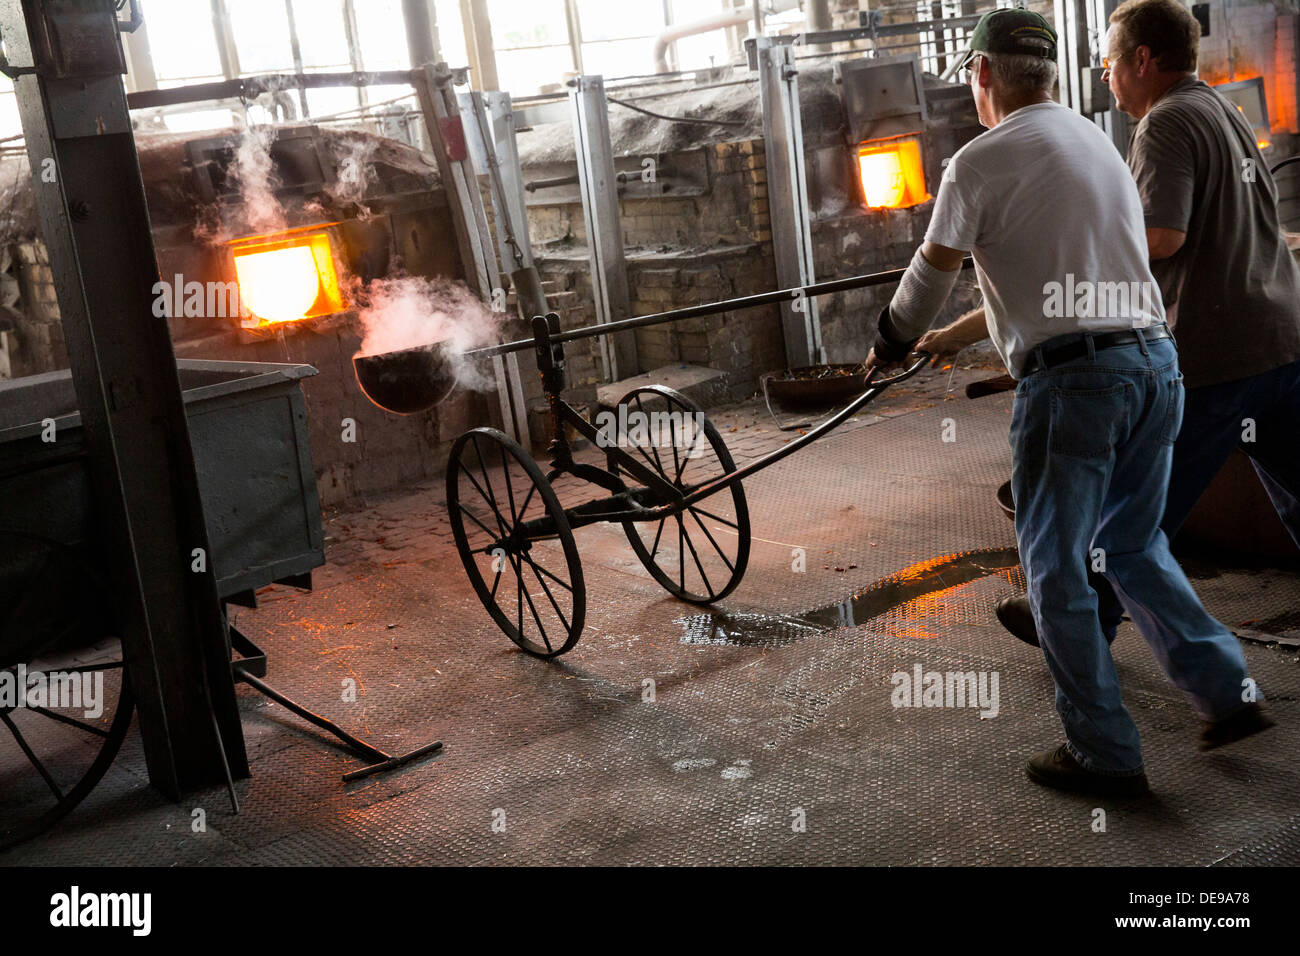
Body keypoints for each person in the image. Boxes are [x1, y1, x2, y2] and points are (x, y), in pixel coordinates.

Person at [865, 8, 1268, 797]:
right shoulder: (1100, 144)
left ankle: (1105, 755)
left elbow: (929, 272)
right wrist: (958, 337)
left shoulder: (975, 163)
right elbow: (1070, 270)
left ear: (982, 75)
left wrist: (888, 343)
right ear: (1048, 75)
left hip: (1074, 386)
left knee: (1054, 570)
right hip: (1155, 365)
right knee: (1132, 544)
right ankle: (1228, 691)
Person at [928, 0, 1300, 690]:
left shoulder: (1164, 123)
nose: (1105, 77)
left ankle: (1076, 627)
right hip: (1283, 333)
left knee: (1128, 525)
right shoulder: (1222, 107)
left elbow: (1158, 239)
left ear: (1141, 60)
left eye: (1108, 62)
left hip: (1220, 354)